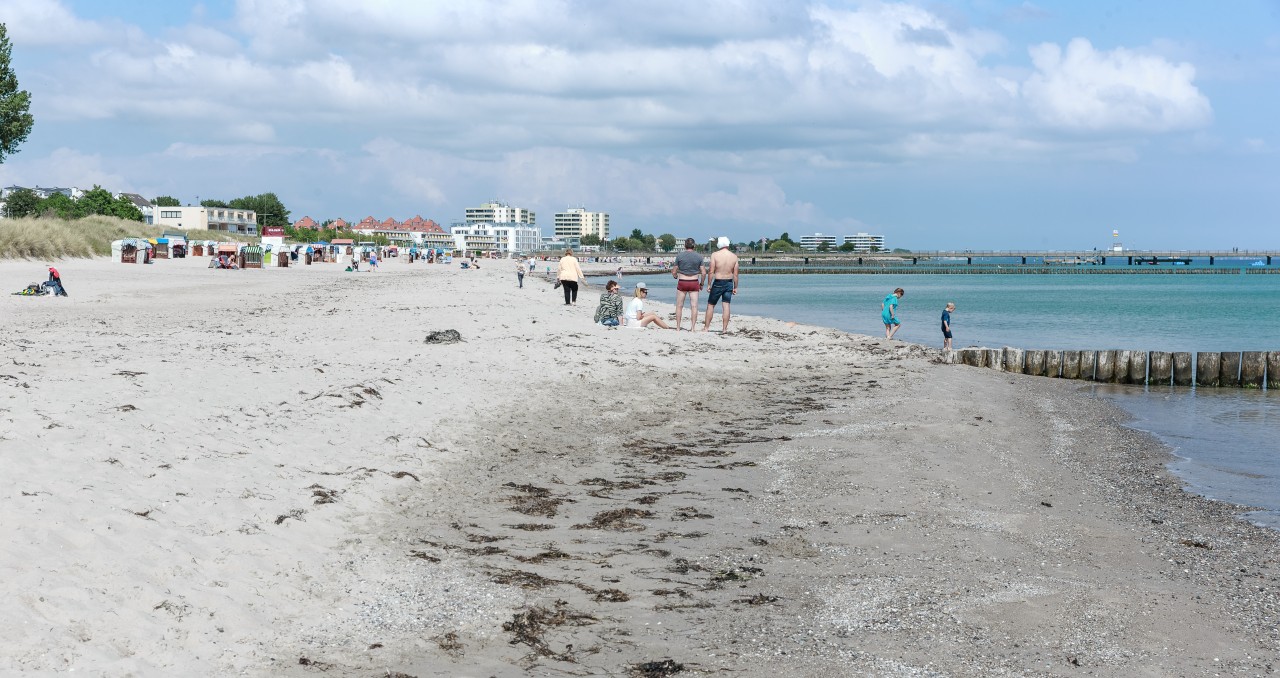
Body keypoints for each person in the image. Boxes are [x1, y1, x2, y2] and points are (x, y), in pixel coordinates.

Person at [701, 237, 739, 333]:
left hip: (718, 281)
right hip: (729, 282)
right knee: (726, 305)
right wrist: (736, 287)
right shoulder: (734, 256)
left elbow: (711, 271)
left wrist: (709, 284)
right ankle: (724, 329)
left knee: (711, 305)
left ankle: (706, 328)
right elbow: (735, 274)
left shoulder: (715, 255)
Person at [671, 237, 705, 330]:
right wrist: (702, 283)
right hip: (694, 282)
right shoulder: (699, 256)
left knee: (679, 305)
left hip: (682, 281)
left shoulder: (680, 256)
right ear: (694, 245)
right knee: (694, 306)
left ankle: (678, 327)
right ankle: (693, 328)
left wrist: (675, 276)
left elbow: (674, 271)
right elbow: (704, 272)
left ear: (685, 245)